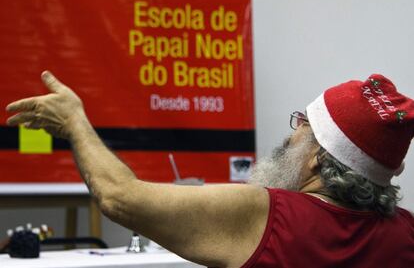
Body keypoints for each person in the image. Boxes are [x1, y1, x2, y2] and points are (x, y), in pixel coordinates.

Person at [5, 72, 414, 267]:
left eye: (301, 125)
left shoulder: (269, 214)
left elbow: (119, 197)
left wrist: (74, 121)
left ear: (317, 157)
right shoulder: (405, 234)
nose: (289, 136)